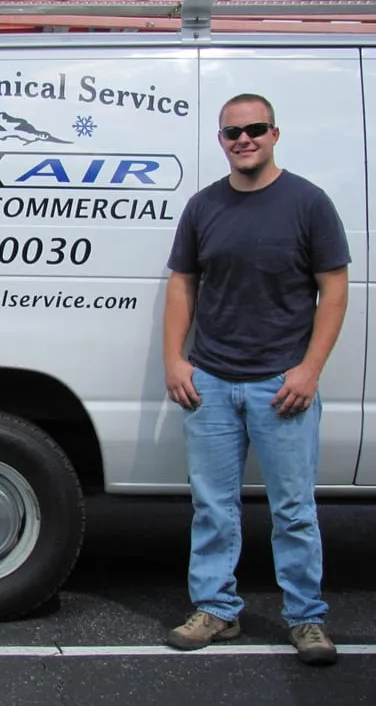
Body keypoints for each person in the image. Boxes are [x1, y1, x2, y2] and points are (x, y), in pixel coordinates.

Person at [162, 93, 350, 666]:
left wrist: (310, 370)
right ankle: (217, 610)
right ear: (221, 140)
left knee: (294, 509)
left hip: (282, 386)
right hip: (212, 383)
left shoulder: (308, 204)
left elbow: (335, 291)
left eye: (255, 129)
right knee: (213, 508)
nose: (244, 139)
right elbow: (182, 285)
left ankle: (306, 619)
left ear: (274, 134)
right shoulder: (203, 207)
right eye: (232, 132)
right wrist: (175, 359)